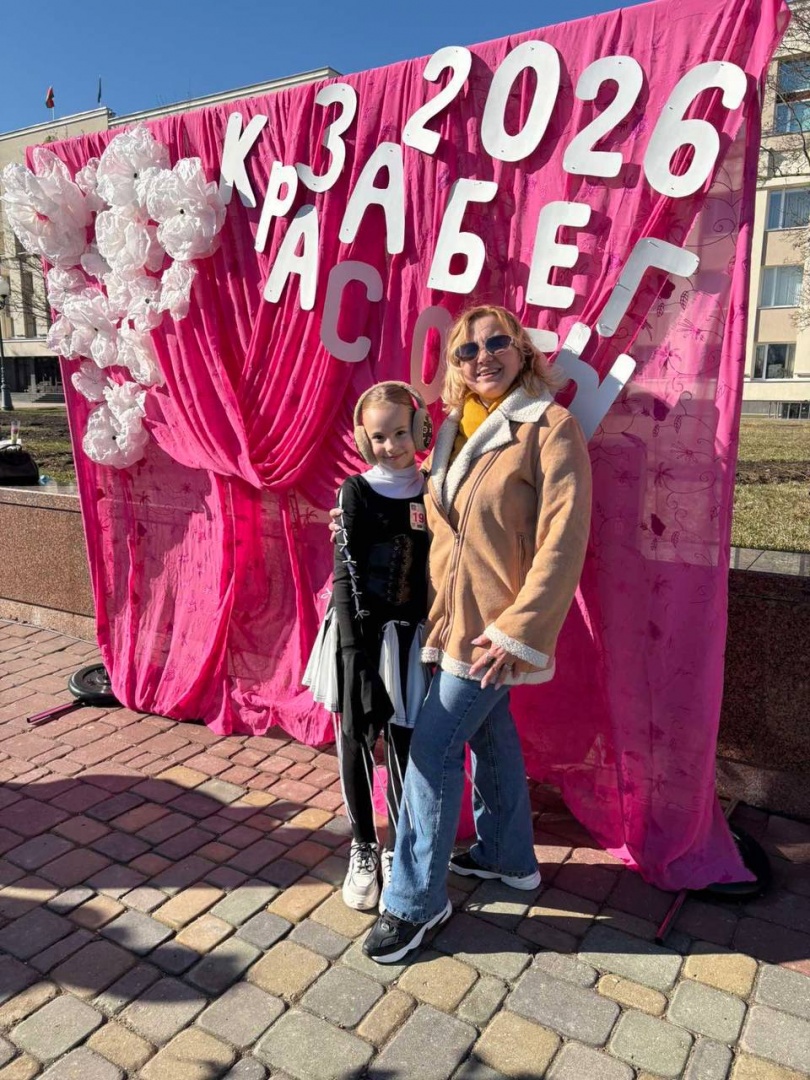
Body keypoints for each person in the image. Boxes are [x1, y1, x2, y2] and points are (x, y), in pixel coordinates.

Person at [361, 305, 593, 963]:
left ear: (522, 351)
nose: (482, 357)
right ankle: (506, 856)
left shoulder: (550, 427)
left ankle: (415, 902)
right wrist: (357, 522)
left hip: (496, 629)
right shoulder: (452, 430)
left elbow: (564, 538)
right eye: (467, 350)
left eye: (496, 343)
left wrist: (519, 630)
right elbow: (437, 523)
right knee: (491, 736)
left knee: (431, 753)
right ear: (455, 365)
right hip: (450, 619)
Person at [303, 381, 433, 911]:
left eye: (400, 432)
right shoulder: (355, 491)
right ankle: (362, 844)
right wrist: (355, 659)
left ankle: (397, 845)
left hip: (407, 638)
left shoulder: (433, 489)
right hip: (357, 636)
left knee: (404, 743)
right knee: (356, 738)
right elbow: (345, 573)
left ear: (418, 429)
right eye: (379, 437)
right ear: (364, 439)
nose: (391, 446)